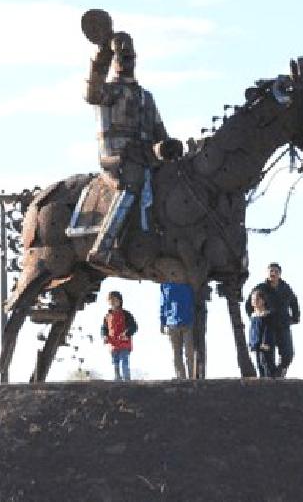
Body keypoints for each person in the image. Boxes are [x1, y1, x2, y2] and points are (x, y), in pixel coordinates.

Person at [83, 25, 181, 269]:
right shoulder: (110, 91)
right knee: (133, 182)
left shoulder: (146, 97)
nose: (127, 61)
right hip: (117, 157)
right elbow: (91, 93)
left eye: (130, 57)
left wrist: (168, 149)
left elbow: (159, 132)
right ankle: (103, 247)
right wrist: (101, 54)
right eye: (122, 57)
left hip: (145, 156)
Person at [245, 262, 300, 377]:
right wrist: (256, 316)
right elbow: (249, 304)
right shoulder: (261, 288)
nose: (273, 273)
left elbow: (294, 302)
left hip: (283, 325)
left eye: (276, 271)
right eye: (271, 271)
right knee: (266, 357)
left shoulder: (285, 288)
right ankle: (270, 379)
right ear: (267, 273)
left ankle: (279, 373)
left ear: (280, 274)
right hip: (267, 326)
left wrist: (295, 318)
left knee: (288, 354)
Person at [160, 282, 196, 379]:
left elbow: (193, 300)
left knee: (189, 352)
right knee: (177, 353)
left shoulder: (186, 280)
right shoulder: (165, 284)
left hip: (187, 321)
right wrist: (162, 321)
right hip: (172, 323)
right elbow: (163, 303)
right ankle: (181, 378)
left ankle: (191, 378)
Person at [101, 290, 138, 381]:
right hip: (113, 344)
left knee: (124, 361)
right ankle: (117, 379)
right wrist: (104, 336)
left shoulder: (126, 314)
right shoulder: (107, 316)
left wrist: (127, 333)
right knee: (115, 362)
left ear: (120, 301)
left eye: (115, 299)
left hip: (124, 343)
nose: (113, 302)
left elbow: (134, 326)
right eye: (110, 300)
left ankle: (126, 379)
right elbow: (104, 329)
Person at [248, 289, 277, 378]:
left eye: (257, 299)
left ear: (263, 300)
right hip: (256, 345)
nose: (254, 301)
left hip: (265, 346)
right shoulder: (253, 317)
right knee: (259, 366)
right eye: (253, 300)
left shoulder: (267, 315)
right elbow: (252, 332)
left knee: (267, 365)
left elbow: (268, 330)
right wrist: (252, 343)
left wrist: (265, 343)